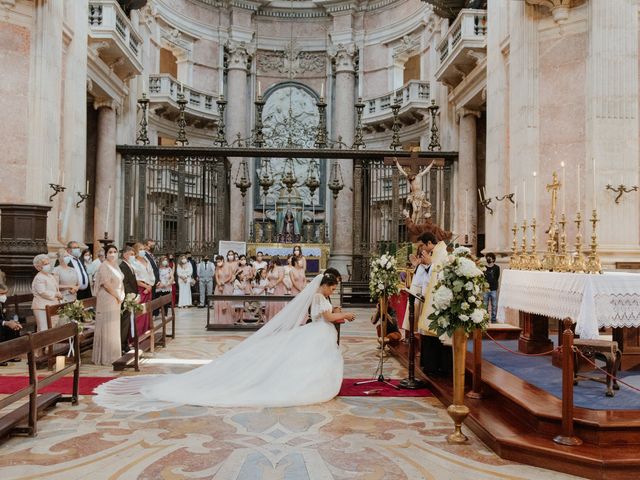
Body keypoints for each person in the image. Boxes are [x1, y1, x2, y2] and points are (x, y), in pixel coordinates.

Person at [94, 273, 355, 410]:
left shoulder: (320, 296)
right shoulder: (320, 297)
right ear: (328, 284)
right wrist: (345, 314)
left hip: (318, 333)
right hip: (319, 333)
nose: (334, 290)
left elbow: (326, 313)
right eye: (334, 286)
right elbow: (329, 316)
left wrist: (338, 313)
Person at [92, 245, 125, 366]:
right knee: (107, 326)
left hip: (116, 297)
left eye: (115, 252)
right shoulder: (104, 266)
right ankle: (106, 356)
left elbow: (120, 281)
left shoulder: (115, 265)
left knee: (114, 326)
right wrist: (117, 295)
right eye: (110, 252)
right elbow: (106, 284)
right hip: (107, 297)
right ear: (105, 254)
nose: (113, 254)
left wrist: (122, 294)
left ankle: (115, 354)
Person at [31, 254, 62, 332]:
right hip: (41, 307)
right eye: (45, 264)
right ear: (38, 267)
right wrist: (55, 294)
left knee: (51, 329)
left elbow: (55, 287)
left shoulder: (49, 276)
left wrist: (58, 294)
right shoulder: (39, 277)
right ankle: (42, 344)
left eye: (48, 263)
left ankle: (49, 344)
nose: (48, 265)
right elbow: (42, 292)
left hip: (51, 305)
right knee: (43, 329)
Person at [130, 243, 154, 335]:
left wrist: (150, 285)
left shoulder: (146, 260)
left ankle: (146, 332)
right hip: (141, 289)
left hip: (148, 288)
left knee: (147, 312)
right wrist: (145, 286)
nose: (142, 251)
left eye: (143, 249)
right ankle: (139, 334)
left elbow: (151, 274)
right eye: (140, 249)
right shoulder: (134, 262)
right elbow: (135, 278)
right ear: (136, 251)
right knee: (140, 313)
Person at [119, 246, 139, 353]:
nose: (133, 256)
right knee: (125, 322)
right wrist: (130, 296)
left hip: (131, 296)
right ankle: (122, 345)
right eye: (131, 254)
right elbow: (125, 283)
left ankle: (126, 343)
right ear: (125, 255)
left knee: (128, 321)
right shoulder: (123, 266)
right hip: (127, 298)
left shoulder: (129, 265)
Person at [0, 280, 22, 366]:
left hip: (1, 323)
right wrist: (6, 323)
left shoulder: (2, 303)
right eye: (1, 294)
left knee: (12, 328)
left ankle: (9, 355)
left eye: (5, 293)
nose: (4, 296)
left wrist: (12, 322)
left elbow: (3, 317)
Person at [214, 255, 234, 323]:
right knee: (219, 303)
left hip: (227, 286)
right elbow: (216, 276)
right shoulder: (217, 267)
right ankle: (220, 321)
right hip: (219, 287)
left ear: (223, 260)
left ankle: (228, 321)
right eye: (217, 262)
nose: (218, 263)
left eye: (219, 261)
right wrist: (219, 283)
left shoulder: (229, 266)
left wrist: (223, 282)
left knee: (228, 303)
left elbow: (230, 276)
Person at [484, 253, 500, 323]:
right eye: (487, 257)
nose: (488, 259)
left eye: (489, 258)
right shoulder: (484, 267)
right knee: (485, 305)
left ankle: (493, 319)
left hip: (493, 289)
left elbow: (497, 277)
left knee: (494, 305)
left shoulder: (497, 268)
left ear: (493, 259)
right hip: (485, 289)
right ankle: (486, 318)